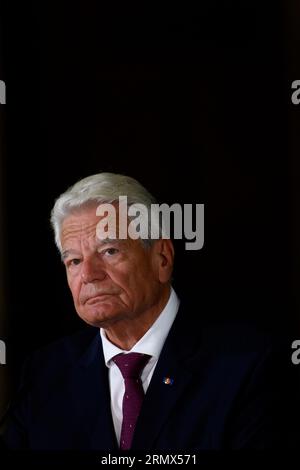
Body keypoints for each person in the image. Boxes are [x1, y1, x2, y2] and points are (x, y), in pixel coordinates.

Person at [2, 172, 297, 450]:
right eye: (75, 261)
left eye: (109, 251)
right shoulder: (45, 374)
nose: (89, 274)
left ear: (162, 258)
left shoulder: (250, 364)